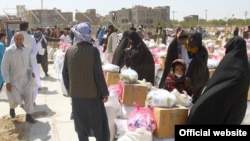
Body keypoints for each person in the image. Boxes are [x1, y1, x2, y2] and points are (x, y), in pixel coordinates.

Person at [62, 22, 110, 141]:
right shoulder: (93, 51)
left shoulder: (69, 51)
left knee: (81, 126)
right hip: (92, 96)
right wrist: (104, 92)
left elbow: (64, 73)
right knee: (98, 124)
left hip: (76, 97)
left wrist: (69, 89)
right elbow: (98, 74)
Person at [188, 36, 250, 124]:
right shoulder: (245, 65)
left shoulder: (229, 61)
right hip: (236, 108)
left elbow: (216, 85)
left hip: (222, 101)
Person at [159, 30, 209, 103]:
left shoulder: (201, 51)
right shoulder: (178, 46)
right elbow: (171, 58)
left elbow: (201, 68)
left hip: (195, 81)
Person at [1, 32, 36, 123]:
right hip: (13, 81)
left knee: (29, 96)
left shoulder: (26, 49)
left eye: (20, 39)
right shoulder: (9, 51)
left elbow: (29, 62)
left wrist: (31, 72)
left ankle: (28, 115)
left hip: (25, 79)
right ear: (14, 40)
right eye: (17, 39)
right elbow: (4, 67)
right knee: (13, 99)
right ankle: (12, 108)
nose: (19, 41)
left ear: (23, 39)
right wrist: (7, 81)